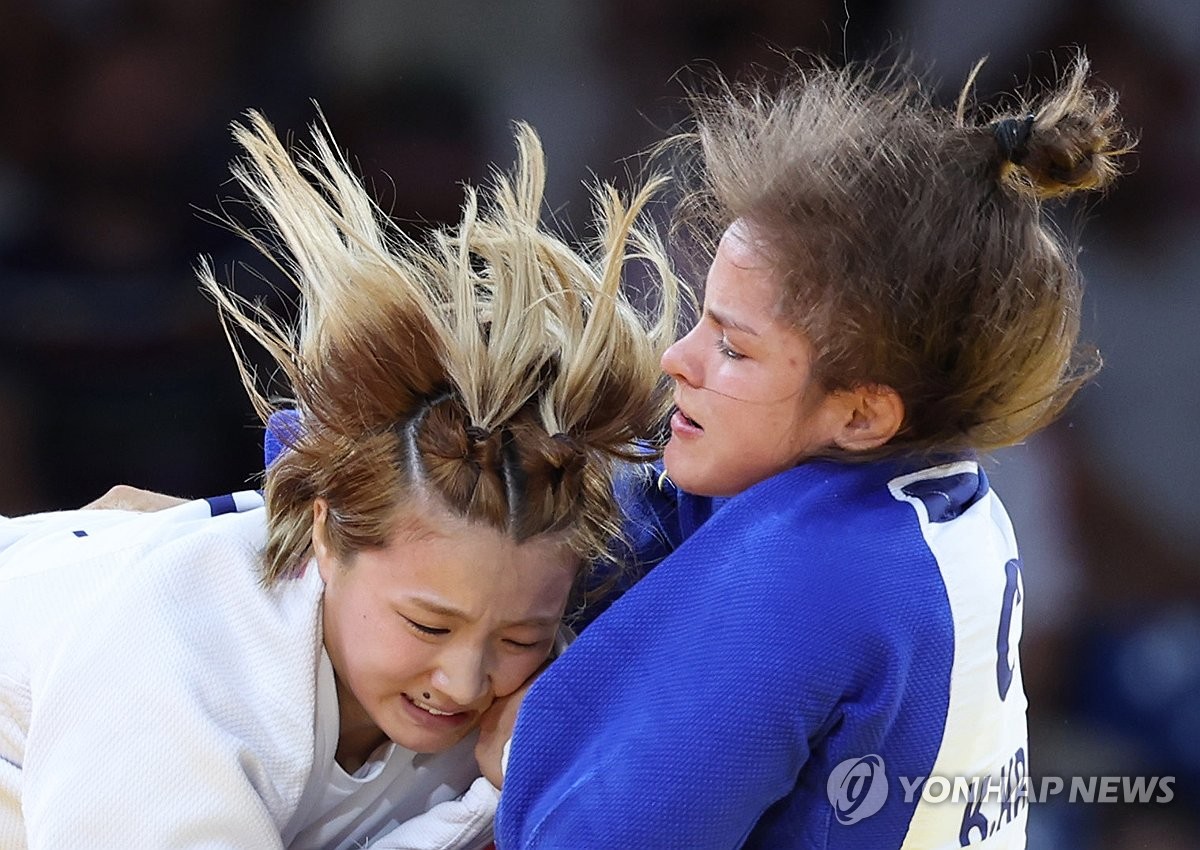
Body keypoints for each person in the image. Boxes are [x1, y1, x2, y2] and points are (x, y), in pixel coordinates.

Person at [493, 53, 1130, 848]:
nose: (675, 360)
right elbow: (656, 509)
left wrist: (514, 749)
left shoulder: (812, 571)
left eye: (733, 348)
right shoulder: (941, 497)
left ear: (862, 414)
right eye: (701, 320)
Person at [0, 111, 680, 849]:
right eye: (429, 623)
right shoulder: (180, 651)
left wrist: (515, 770)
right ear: (326, 535)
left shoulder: (530, 704)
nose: (462, 681)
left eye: (522, 636)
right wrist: (483, 804)